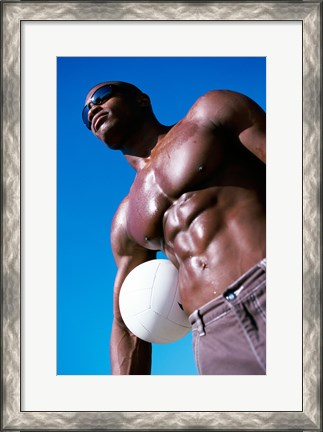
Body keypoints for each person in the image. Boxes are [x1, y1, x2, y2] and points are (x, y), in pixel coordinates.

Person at [82, 81, 266, 375]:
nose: (93, 108)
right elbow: (127, 325)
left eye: (101, 96)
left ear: (142, 100)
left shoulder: (210, 113)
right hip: (214, 333)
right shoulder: (126, 218)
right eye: (85, 111)